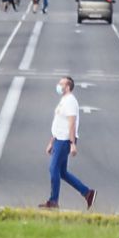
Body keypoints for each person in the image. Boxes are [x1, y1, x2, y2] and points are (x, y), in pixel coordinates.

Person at [38, 77, 96, 210]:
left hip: (65, 140)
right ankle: (88, 193)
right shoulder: (64, 100)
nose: (58, 86)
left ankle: (53, 201)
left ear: (68, 87)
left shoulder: (70, 101)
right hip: (59, 139)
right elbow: (59, 123)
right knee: (62, 172)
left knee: (53, 169)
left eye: (61, 84)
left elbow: (72, 123)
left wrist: (72, 143)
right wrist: (52, 141)